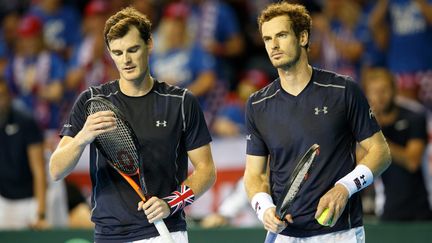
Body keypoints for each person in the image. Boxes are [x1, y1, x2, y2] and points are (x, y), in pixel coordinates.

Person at [49, 7, 216, 243]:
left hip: (166, 232)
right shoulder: (92, 101)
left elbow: (206, 171)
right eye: (117, 52)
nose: (125, 60)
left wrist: (171, 203)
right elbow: (56, 169)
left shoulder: (181, 102)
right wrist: (83, 137)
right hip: (108, 235)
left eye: (133, 49)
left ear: (150, 44)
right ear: (109, 53)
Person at [243, 2, 391, 242]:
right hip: (285, 234)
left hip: (340, 232)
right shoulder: (257, 104)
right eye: (268, 38)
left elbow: (380, 152)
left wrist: (344, 188)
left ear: (302, 37)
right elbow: (254, 175)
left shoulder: (343, 90)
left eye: (281, 35)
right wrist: (263, 208)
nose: (274, 45)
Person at [362, 67, 432, 221]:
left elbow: (412, 161)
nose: (379, 97)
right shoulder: (366, 123)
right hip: (386, 210)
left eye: (384, 90)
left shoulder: (415, 117)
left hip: (420, 210)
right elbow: (359, 161)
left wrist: (377, 134)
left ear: (394, 90)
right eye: (374, 91)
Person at [0, 78, 48, 229]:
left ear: (9, 96)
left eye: (2, 95)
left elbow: (39, 170)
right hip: (4, 200)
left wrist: (40, 213)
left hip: (29, 201)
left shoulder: (25, 121)